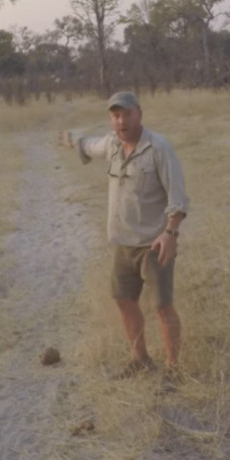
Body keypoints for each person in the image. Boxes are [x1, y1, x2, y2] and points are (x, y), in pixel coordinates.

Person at [59, 91, 188, 377]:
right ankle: (140, 360)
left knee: (162, 306)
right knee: (124, 300)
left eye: (127, 114)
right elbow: (89, 146)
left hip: (154, 244)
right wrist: (71, 140)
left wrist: (170, 233)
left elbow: (178, 198)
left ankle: (173, 370)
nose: (121, 121)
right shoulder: (112, 145)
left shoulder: (159, 149)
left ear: (139, 114)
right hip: (123, 243)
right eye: (116, 116)